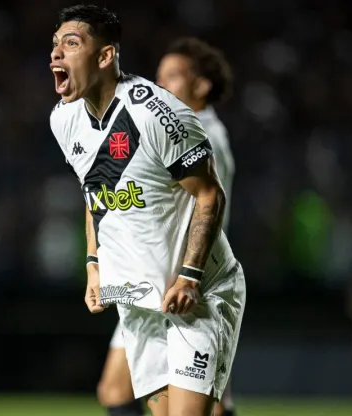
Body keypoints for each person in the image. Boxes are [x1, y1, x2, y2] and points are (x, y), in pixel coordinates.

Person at [48, 5, 246, 416]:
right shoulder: (64, 120)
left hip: (196, 297)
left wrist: (190, 276)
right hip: (138, 299)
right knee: (116, 393)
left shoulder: (156, 112)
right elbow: (95, 193)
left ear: (105, 56)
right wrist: (93, 265)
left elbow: (211, 195)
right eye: (54, 45)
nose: (56, 54)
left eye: (71, 43)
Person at [96, 37, 238, 416]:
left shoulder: (203, 136)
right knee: (127, 390)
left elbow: (206, 206)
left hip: (180, 282)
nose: (161, 86)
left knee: (186, 400)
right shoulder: (167, 131)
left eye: (173, 76)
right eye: (159, 77)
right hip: (153, 281)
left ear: (201, 85)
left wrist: (187, 276)